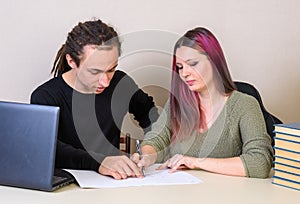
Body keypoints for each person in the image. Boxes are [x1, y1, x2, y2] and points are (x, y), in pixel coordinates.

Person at [133, 27, 273, 178]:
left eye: (192, 64)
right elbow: (157, 139)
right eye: (180, 67)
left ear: (214, 61)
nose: (184, 73)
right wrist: (146, 155)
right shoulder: (177, 104)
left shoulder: (244, 105)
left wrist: (196, 162)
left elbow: (260, 162)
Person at [30, 19, 159, 180]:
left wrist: (149, 150)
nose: (105, 81)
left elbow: (153, 118)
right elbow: (49, 148)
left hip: (113, 182)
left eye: (111, 69)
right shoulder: (46, 96)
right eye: (94, 72)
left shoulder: (121, 84)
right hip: (64, 185)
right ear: (72, 61)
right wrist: (100, 162)